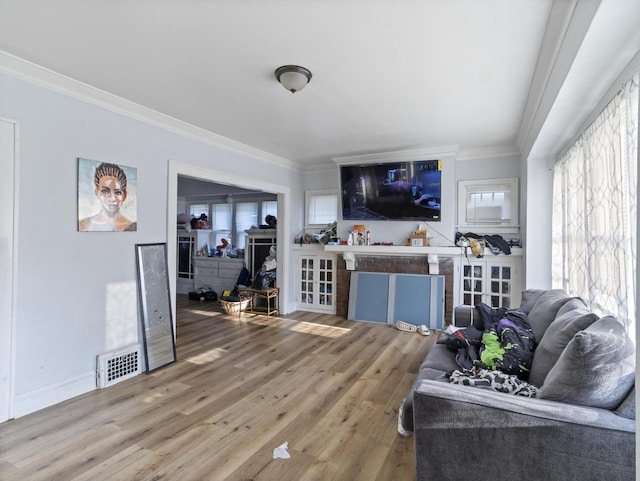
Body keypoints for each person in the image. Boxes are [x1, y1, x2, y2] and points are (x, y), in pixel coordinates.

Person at [78, 162, 136, 231]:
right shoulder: (83, 225)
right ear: (97, 192)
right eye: (105, 191)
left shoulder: (132, 227)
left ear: (124, 195)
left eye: (118, 192)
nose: (112, 198)